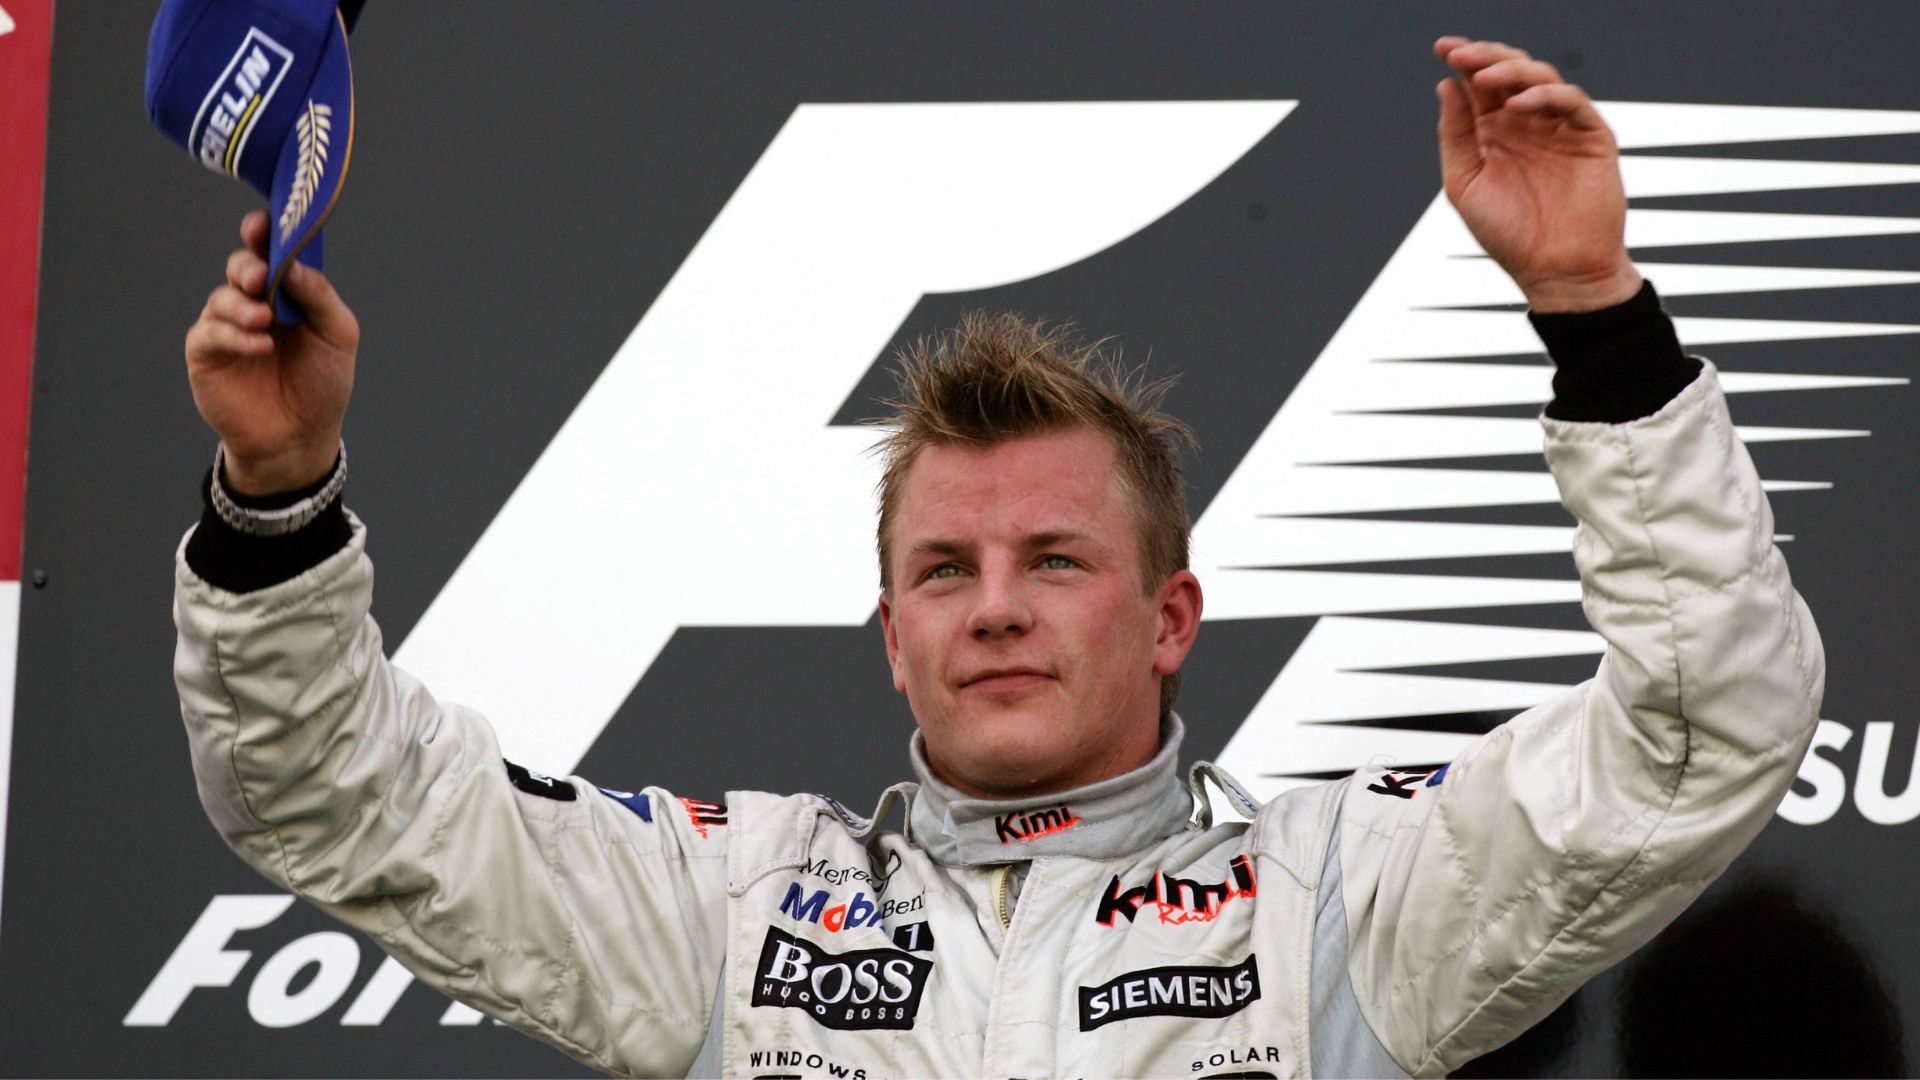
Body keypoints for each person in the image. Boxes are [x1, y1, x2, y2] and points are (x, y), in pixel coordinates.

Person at [173, 38, 1822, 1078]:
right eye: (946, 572)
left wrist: (1597, 323)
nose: (999, 609)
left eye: (1055, 558)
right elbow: (330, 794)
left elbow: (1705, 732)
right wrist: (277, 481)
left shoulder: (1341, 896)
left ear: (1172, 616)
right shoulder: (740, 914)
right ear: (890, 634)